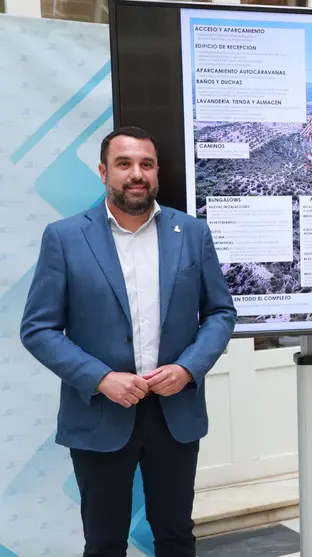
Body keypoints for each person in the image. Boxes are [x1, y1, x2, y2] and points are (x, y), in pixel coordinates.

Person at [20, 126, 236, 557]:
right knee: (103, 542)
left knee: (176, 536)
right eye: (124, 164)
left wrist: (188, 368)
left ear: (156, 172)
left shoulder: (192, 233)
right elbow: (38, 329)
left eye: (146, 164)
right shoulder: (64, 238)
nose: (136, 174)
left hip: (174, 413)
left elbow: (220, 313)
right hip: (100, 413)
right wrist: (100, 378)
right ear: (103, 172)